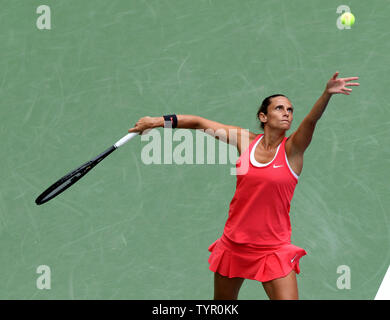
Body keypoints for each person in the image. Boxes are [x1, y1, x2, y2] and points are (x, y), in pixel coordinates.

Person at [128, 71, 359, 300]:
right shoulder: (244, 140)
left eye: (290, 110)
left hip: (273, 248)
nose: (287, 113)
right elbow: (199, 123)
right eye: (279, 108)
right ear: (263, 117)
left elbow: (311, 121)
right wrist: (157, 121)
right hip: (234, 245)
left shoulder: (293, 150)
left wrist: (326, 94)